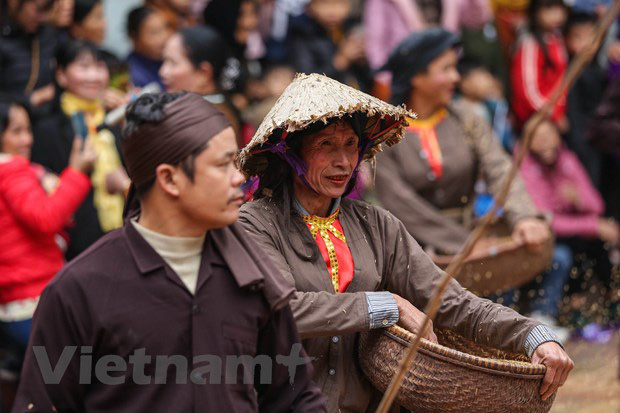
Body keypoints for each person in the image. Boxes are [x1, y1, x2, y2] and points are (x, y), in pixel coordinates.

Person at [238, 72, 573, 412]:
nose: (343, 161)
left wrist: (532, 335)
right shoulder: (254, 224)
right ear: (290, 153)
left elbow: (452, 302)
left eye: (351, 144)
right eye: (326, 144)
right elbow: (280, 310)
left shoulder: (376, 225)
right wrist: (387, 306)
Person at [12, 92, 327, 412]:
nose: (240, 178)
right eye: (222, 165)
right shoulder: (81, 289)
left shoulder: (251, 272)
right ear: (169, 179)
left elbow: (294, 396)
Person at [375, 28, 549, 258]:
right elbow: (399, 202)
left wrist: (524, 216)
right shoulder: (382, 133)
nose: (456, 77)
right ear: (417, 77)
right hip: (409, 251)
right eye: (446, 69)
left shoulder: (467, 119)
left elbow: (500, 169)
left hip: (470, 239)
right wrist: (461, 243)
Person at [0, 97, 95, 412]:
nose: (27, 139)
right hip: (34, 301)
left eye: (28, 129)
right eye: (16, 131)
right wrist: (78, 173)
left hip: (14, 306)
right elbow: (45, 218)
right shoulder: (11, 170)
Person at [520, 119, 618, 325]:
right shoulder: (526, 169)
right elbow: (547, 221)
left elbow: (597, 206)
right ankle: (574, 308)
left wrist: (578, 199)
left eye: (549, 134)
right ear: (527, 143)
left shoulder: (567, 160)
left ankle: (611, 299)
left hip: (575, 231)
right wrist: (593, 226)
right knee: (578, 243)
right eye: (537, 137)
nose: (545, 141)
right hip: (544, 236)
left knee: (597, 241)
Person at [56, 40, 128, 250]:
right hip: (76, 238)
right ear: (61, 74)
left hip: (122, 233)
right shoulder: (50, 126)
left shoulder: (115, 118)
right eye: (84, 67)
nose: (94, 76)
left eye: (99, 66)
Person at [160, 25, 243, 143]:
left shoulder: (208, 121)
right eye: (164, 61)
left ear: (203, 73)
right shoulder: (211, 108)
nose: (163, 72)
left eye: (173, 63)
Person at [287, 0, 372, 91]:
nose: (332, 12)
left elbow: (370, 78)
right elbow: (305, 78)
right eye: (324, 3)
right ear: (310, 6)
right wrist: (341, 61)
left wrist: (363, 61)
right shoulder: (303, 34)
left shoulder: (351, 29)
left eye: (339, 3)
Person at [511, 0, 569, 130]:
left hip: (557, 111)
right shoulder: (530, 44)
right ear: (535, 12)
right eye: (549, 9)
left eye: (560, 9)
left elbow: (562, 79)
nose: (557, 15)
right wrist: (553, 115)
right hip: (536, 118)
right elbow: (528, 92)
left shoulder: (556, 37)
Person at [126, 6, 170, 89]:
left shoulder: (169, 60)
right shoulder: (132, 74)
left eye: (165, 28)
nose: (164, 37)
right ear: (135, 38)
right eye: (154, 32)